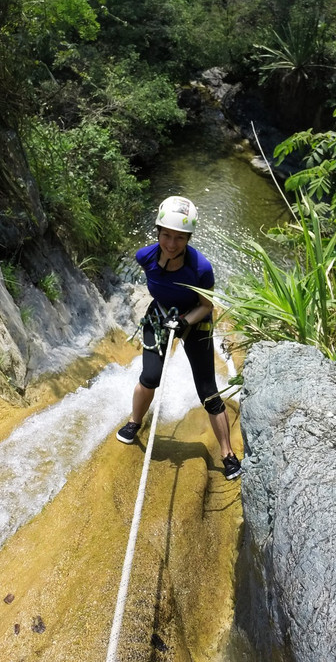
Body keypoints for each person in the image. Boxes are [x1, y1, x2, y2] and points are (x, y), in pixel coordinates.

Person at [116, 195, 242, 481]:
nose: (171, 244)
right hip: (159, 316)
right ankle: (135, 422)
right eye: (166, 236)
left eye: (179, 238)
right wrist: (168, 315)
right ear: (158, 232)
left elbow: (206, 306)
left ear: (189, 238)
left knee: (208, 392)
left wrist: (183, 320)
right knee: (150, 377)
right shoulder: (145, 256)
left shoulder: (200, 269)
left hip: (195, 321)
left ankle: (227, 453)